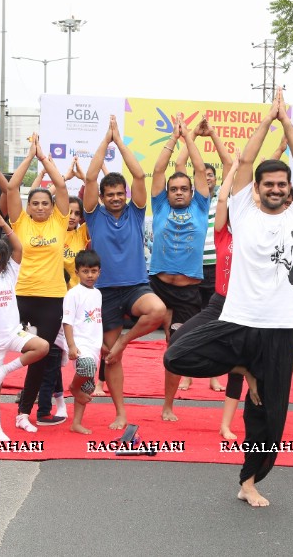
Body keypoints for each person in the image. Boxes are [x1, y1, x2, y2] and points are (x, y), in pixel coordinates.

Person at [165, 89, 293, 507]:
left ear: (288, 190)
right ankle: (243, 367)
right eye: (268, 184)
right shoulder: (243, 209)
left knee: (270, 417)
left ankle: (250, 481)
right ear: (256, 189)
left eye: (280, 184)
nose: (275, 188)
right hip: (239, 318)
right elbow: (245, 162)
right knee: (176, 356)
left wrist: (288, 122)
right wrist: (268, 120)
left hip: (282, 328)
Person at [83, 115, 167, 430]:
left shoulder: (135, 211)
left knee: (157, 311)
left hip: (135, 286)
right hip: (103, 292)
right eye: (111, 194)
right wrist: (105, 141)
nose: (117, 197)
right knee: (112, 359)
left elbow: (139, 174)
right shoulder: (94, 215)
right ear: (103, 198)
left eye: (121, 193)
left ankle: (124, 342)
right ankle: (121, 412)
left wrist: (120, 142)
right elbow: (91, 178)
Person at [170, 151, 243, 439]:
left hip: (246, 307)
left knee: (241, 362)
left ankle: (226, 421)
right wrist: (235, 167)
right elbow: (224, 199)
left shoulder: (256, 236)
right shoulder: (221, 232)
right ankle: (198, 371)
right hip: (213, 291)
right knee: (180, 339)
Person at [6, 133, 71, 430]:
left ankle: (23, 413)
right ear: (29, 207)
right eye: (37, 203)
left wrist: (44, 157)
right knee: (0, 346)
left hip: (52, 297)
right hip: (21, 295)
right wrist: (30, 157)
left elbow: (60, 185)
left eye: (46, 203)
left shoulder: (60, 221)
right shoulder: (20, 222)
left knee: (41, 356)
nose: (42, 207)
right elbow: (11, 186)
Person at [151, 113, 210, 422]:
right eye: (173, 189)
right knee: (119, 325)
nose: (177, 192)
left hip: (187, 293)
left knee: (174, 349)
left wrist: (190, 137)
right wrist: (174, 138)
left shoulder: (201, 207)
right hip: (157, 286)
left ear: (191, 192)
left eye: (182, 189)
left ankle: (168, 405)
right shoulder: (159, 205)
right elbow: (160, 169)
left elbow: (199, 169)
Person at [0, 211, 49, 442]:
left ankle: (7, 369)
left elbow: (18, 249)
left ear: (6, 264)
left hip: (13, 333)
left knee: (42, 347)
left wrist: (4, 223)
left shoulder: (10, 274)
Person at [173, 120, 231, 393]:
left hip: (218, 269)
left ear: (216, 180)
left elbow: (230, 165)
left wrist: (214, 134)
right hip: (192, 268)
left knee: (217, 323)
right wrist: (192, 134)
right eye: (203, 174)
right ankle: (186, 374)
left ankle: (213, 376)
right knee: (190, 320)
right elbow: (179, 167)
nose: (206, 177)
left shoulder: (223, 199)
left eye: (211, 175)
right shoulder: (194, 200)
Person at [63, 250, 104, 434]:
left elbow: (96, 321)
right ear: (77, 272)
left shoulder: (98, 294)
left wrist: (102, 344)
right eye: (86, 271)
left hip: (94, 345)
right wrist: (71, 345)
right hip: (79, 344)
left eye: (93, 271)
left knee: (87, 385)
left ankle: (76, 423)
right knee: (86, 367)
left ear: (99, 272)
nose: (90, 275)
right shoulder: (73, 294)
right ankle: (73, 387)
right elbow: (67, 322)